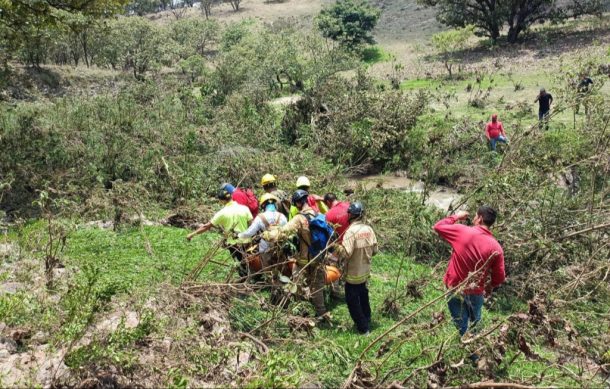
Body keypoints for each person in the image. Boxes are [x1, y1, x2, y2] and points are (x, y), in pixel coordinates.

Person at [433, 206, 506, 337]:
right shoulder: (496, 247)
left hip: (455, 288)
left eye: (475, 216)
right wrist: (490, 286)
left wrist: (457, 216)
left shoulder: (462, 231)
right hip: (476, 292)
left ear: (480, 218)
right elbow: (500, 277)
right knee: (474, 325)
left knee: (461, 326)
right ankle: (474, 351)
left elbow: (438, 226)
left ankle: (469, 353)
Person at [266, 189, 328, 318]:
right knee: (318, 286)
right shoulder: (319, 215)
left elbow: (283, 232)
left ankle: (301, 309)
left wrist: (267, 235)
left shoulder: (300, 218)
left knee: (297, 280)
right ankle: (321, 313)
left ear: (298, 203)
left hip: (305, 258)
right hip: (320, 256)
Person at [186, 187, 253, 276]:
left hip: (234, 245)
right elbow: (252, 225)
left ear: (221, 201)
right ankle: (251, 278)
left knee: (240, 266)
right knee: (248, 262)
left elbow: (206, 227)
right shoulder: (244, 208)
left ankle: (246, 281)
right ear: (231, 197)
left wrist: (192, 234)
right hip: (247, 242)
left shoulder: (222, 213)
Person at [334, 202, 378, 335]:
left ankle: (363, 327)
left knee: (352, 302)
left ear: (351, 215)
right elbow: (375, 250)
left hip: (353, 275)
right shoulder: (369, 229)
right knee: (363, 295)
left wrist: (336, 248)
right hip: (365, 272)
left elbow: (346, 253)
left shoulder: (350, 232)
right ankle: (367, 317)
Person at [238, 193, 287, 270]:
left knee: (267, 269)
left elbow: (250, 232)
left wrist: (239, 235)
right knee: (281, 267)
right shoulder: (282, 216)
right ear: (275, 204)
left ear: (263, 205)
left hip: (265, 249)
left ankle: (268, 279)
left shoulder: (260, 217)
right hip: (280, 247)